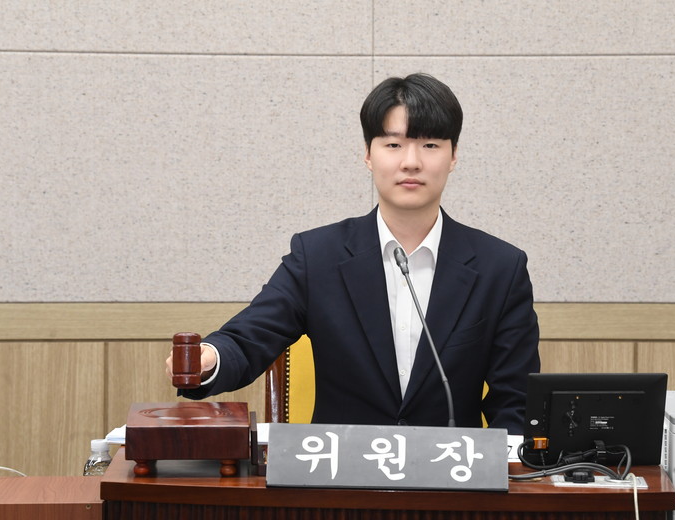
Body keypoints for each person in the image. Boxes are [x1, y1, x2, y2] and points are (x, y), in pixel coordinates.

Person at [166, 73, 540, 433]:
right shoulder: (318, 257)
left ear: (453, 155)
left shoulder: (500, 269)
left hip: (451, 472)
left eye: (430, 145)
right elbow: (249, 338)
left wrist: (505, 467)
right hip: (342, 471)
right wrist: (209, 358)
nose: (411, 161)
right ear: (368, 154)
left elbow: (516, 402)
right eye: (393, 145)